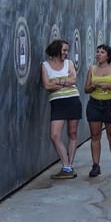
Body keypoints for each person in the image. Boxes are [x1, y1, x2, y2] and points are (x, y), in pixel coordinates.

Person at [41, 39, 82, 179]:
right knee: (54, 135)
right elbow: (47, 86)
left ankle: (68, 166)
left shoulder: (69, 63)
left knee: (72, 134)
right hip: (57, 103)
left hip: (73, 100)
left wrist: (56, 82)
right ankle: (67, 166)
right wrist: (65, 82)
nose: (66, 53)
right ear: (56, 50)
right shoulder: (45, 66)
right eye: (64, 50)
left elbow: (73, 81)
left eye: (67, 50)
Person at [83, 44, 111, 177]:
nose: (98, 54)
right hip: (94, 105)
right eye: (97, 52)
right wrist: (92, 87)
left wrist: (109, 86)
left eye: (102, 52)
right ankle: (95, 165)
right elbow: (86, 89)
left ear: (108, 55)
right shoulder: (92, 69)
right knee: (95, 135)